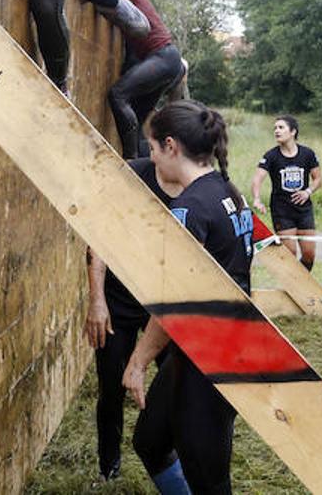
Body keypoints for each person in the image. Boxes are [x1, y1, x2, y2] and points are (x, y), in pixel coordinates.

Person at [122, 101, 253, 495]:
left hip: (214, 355)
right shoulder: (226, 189)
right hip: (198, 347)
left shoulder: (189, 209)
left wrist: (138, 361)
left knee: (208, 476)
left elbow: (173, 304)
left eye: (152, 148)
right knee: (150, 441)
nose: (151, 158)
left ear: (171, 146)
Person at [85, 158, 176, 481]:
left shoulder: (194, 184)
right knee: (111, 387)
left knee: (176, 382)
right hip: (119, 301)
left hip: (166, 303)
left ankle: (173, 457)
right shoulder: (133, 175)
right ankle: (109, 468)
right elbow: (99, 240)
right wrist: (97, 300)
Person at [76, 0, 185, 158]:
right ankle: (145, 170)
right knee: (136, 116)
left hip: (163, 57)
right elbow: (132, 53)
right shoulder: (124, 8)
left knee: (117, 96)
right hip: (166, 60)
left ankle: (130, 161)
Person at [251, 114, 322, 271]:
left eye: (281, 127)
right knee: (290, 253)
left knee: (309, 254)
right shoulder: (271, 156)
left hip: (304, 210)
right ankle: (296, 288)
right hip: (282, 211)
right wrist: (257, 199)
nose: (277, 131)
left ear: (293, 132)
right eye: (275, 128)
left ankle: (303, 283)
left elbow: (318, 179)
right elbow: (257, 179)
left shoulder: (307, 154)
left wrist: (307, 191)